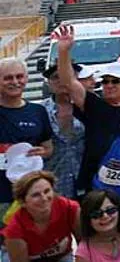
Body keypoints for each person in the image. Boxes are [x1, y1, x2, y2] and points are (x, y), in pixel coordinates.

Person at [52, 26, 120, 215]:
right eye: (105, 81)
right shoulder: (94, 105)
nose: (108, 86)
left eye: (114, 81)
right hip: (97, 188)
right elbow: (69, 82)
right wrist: (63, 50)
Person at [0, 58, 55, 213]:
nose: (15, 82)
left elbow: (48, 148)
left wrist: (41, 153)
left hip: (33, 193)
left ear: (26, 78)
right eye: (8, 78)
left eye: (19, 76)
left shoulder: (38, 111)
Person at [2, 171, 79, 262]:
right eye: (36, 195)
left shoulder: (70, 208)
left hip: (62, 256)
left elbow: (87, 245)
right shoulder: (14, 230)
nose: (44, 198)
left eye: (47, 191)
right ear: (22, 202)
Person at [39, 63, 84, 199]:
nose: (61, 81)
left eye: (66, 76)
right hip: (53, 186)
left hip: (87, 183)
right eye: (55, 77)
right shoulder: (39, 111)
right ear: (48, 83)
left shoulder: (89, 107)